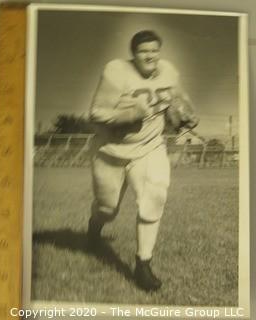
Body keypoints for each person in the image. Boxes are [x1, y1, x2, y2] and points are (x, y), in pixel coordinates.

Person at [86, 30, 198, 291]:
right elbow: (96, 114)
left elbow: (178, 100)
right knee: (107, 208)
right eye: (143, 51)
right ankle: (94, 229)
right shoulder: (116, 72)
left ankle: (143, 264)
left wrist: (185, 115)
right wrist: (134, 112)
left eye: (154, 50)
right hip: (110, 151)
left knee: (155, 195)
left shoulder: (168, 71)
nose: (150, 55)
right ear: (133, 54)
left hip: (150, 146)